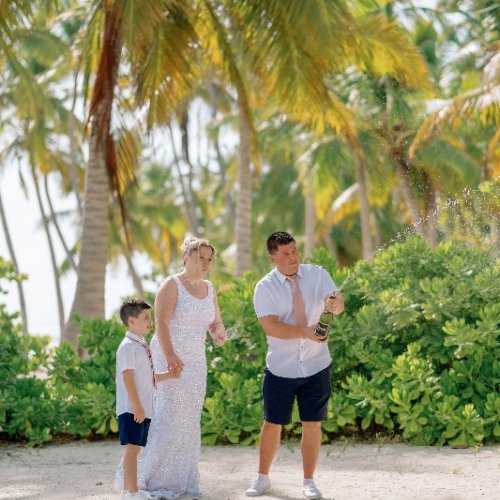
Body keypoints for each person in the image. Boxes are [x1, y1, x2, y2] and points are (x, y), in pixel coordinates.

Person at [117, 236, 227, 499]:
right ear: (187, 257)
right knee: (167, 415)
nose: (205, 263)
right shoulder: (171, 284)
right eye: (200, 258)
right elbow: (161, 322)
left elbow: (215, 322)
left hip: (197, 362)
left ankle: (181, 480)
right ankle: (148, 478)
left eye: (209, 259)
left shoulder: (210, 288)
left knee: (189, 419)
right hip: (170, 356)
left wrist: (219, 333)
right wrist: (170, 355)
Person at [245, 231, 344, 500]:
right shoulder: (264, 287)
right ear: (272, 257)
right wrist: (306, 332)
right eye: (286, 253)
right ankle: (262, 478)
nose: (293, 258)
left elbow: (338, 303)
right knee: (272, 423)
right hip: (281, 368)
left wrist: (334, 305)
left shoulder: (318, 274)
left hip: (316, 365)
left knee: (312, 423)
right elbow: (271, 326)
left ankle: (309, 482)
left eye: (295, 251)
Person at [115, 299, 180, 500]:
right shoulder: (127, 346)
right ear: (131, 321)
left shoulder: (140, 345)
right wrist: (137, 406)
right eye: (145, 318)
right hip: (132, 408)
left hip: (142, 407)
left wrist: (170, 375)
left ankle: (130, 489)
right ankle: (131, 492)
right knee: (132, 449)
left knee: (137, 448)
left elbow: (148, 378)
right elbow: (127, 377)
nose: (149, 322)